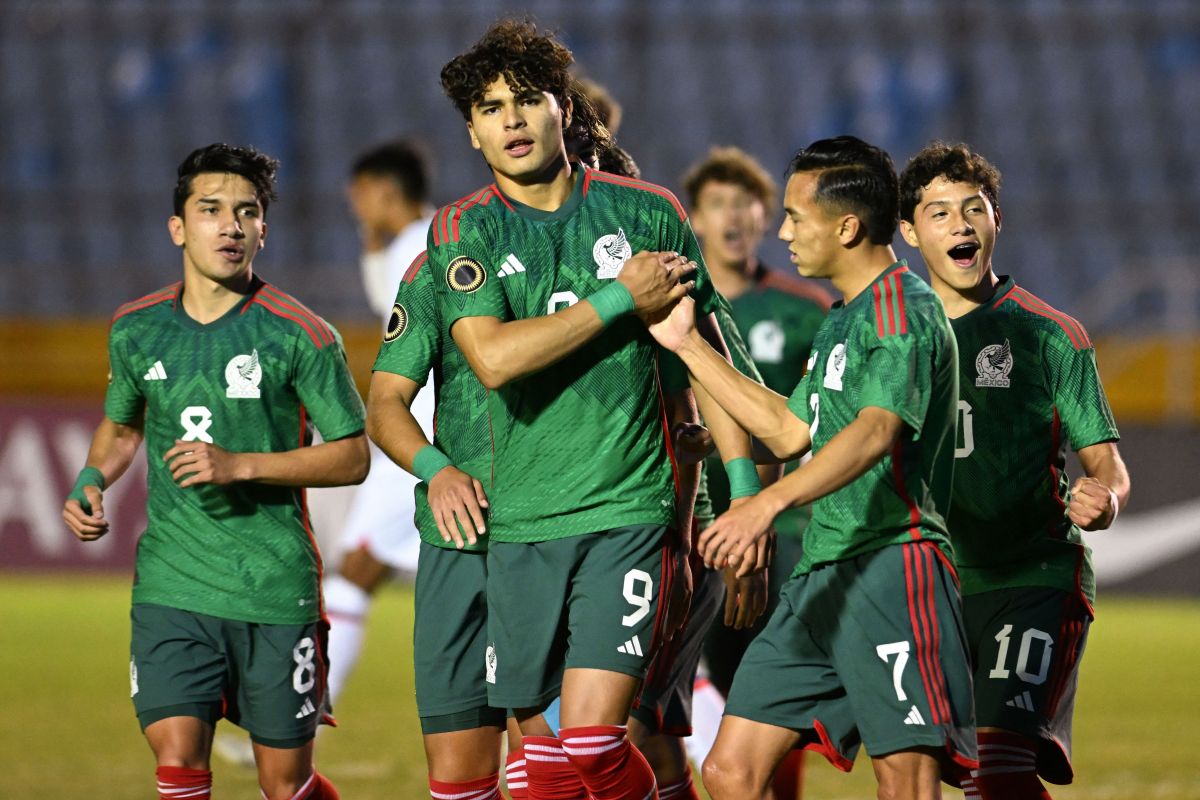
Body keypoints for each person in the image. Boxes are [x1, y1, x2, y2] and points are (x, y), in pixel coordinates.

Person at [433, 19, 759, 799]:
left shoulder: (646, 213)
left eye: (526, 100)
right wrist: (620, 297)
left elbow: (710, 365)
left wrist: (746, 499)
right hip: (520, 524)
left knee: (589, 744)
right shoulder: (462, 228)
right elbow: (494, 357)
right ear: (473, 134)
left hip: (627, 514)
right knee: (542, 768)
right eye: (488, 108)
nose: (510, 120)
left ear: (566, 110)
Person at [645, 136, 977, 800]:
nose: (784, 231)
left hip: (892, 568)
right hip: (821, 577)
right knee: (730, 771)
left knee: (905, 784)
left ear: (846, 226)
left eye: (796, 216)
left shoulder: (903, 311)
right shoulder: (843, 320)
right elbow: (787, 429)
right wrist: (686, 344)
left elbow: (875, 432)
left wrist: (763, 506)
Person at [61, 143, 368, 800]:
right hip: (174, 585)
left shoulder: (301, 335)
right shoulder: (136, 329)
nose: (230, 225)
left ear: (263, 229)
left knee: (285, 784)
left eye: (246, 212)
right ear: (178, 227)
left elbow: (352, 455)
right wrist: (91, 479)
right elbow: (121, 427)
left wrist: (240, 465)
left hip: (272, 587)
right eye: (211, 210)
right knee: (177, 760)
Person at [898, 142, 1131, 800]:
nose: (961, 225)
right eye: (939, 213)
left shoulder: (1049, 334)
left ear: (998, 218)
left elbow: (1106, 464)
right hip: (930, 587)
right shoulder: (891, 335)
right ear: (909, 232)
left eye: (974, 209)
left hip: (1031, 575)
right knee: (944, 775)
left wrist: (1105, 499)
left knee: (996, 766)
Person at [682, 146, 834, 798]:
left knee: (765, 679)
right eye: (718, 204)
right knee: (690, 680)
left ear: (765, 216)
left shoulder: (805, 308)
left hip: (784, 524)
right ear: (694, 217)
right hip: (691, 518)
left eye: (745, 205)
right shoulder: (677, 302)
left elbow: (823, 419)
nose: (733, 217)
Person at [324, 140, 437, 702]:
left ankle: (296, 718)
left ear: (385, 191)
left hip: (417, 438)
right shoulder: (434, 238)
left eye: (360, 192)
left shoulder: (412, 251)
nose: (353, 203)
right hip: (442, 435)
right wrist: (372, 244)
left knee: (355, 569)